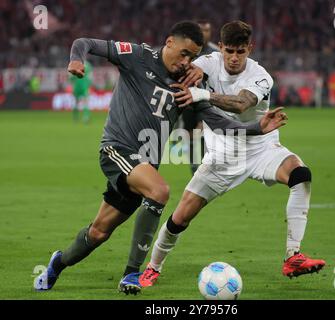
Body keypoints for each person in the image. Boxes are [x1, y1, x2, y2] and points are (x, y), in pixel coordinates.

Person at [33, 21, 287, 294]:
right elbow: (85, 42)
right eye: (185, 53)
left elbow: (219, 122)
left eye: (193, 56)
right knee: (160, 191)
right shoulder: (137, 56)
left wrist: (256, 128)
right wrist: (76, 60)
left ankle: (57, 264)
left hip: (142, 166)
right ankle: (132, 274)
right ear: (169, 43)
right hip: (116, 149)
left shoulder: (187, 84)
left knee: (98, 232)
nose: (188, 61)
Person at [139, 21, 326, 288]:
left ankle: (293, 256)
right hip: (221, 156)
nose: (234, 58)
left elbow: (241, 104)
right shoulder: (208, 62)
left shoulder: (260, 75)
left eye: (241, 51)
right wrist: (189, 75)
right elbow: (186, 71)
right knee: (180, 217)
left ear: (250, 48)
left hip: (262, 149)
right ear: (221, 47)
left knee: (301, 175)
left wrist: (202, 93)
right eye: (229, 51)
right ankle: (152, 267)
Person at [182, 20, 219, 174]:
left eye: (207, 29)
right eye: (201, 29)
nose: (205, 33)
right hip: (188, 99)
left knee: (205, 131)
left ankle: (205, 166)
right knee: (190, 134)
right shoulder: (188, 50)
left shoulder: (215, 53)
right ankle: (193, 166)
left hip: (206, 99)